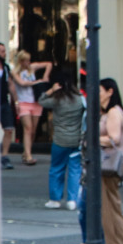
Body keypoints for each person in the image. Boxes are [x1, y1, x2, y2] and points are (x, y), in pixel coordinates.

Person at [38, 69, 85, 210]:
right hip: (76, 140)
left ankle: (55, 199)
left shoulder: (56, 101)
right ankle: (73, 199)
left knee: (56, 169)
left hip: (59, 140)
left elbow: (41, 101)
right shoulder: (79, 99)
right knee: (75, 170)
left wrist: (50, 90)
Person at [97, 78, 123, 244]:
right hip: (107, 164)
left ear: (110, 91)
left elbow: (114, 138)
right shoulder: (108, 112)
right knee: (107, 206)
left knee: (111, 206)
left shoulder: (113, 112)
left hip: (109, 163)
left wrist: (91, 138)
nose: (97, 94)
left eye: (100, 90)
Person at [12, 50, 51, 165]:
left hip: (35, 101)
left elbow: (48, 64)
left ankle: (26, 151)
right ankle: (28, 155)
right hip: (23, 101)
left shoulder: (32, 67)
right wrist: (37, 82)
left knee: (33, 130)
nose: (28, 63)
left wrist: (46, 76)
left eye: (29, 60)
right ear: (21, 61)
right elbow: (22, 83)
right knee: (27, 128)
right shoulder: (15, 72)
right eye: (25, 61)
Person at [0, 43, 16, 169]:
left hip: (4, 102)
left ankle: (4, 156)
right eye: (2, 51)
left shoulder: (6, 68)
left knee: (8, 129)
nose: (5, 53)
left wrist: (16, 101)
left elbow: (11, 85)